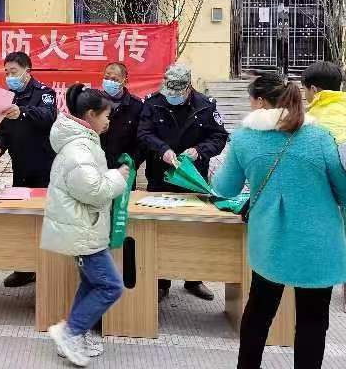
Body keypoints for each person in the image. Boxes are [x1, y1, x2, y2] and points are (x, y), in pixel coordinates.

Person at [212, 73, 346, 369]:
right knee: (313, 320)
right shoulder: (320, 136)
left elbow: (225, 188)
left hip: (269, 241)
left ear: (260, 101)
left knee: (258, 313)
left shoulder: (244, 138)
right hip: (317, 244)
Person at [42, 84, 128, 368]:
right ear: (90, 114)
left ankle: (75, 333)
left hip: (85, 227)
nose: (108, 121)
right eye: (106, 116)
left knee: (92, 283)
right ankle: (71, 332)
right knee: (111, 286)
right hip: (84, 229)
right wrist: (118, 177)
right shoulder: (79, 148)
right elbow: (92, 190)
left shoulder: (83, 141)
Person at [137, 63, 229, 302]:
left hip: (192, 178)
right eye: (170, 92)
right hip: (160, 177)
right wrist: (162, 150)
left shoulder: (206, 106)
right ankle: (161, 282)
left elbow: (219, 137)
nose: (173, 96)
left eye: (178, 93)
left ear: (189, 87)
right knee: (160, 231)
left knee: (194, 231)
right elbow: (144, 133)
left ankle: (194, 279)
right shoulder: (153, 102)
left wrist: (199, 151)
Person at [0, 51, 57, 288]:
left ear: (27, 71)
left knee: (45, 219)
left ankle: (48, 269)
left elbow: (49, 116)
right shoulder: (7, 96)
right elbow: (4, 129)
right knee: (22, 219)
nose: (9, 76)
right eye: (6, 72)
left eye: (14, 72)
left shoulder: (44, 93)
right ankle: (24, 269)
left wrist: (24, 111)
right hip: (20, 167)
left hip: (44, 167)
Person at [99, 62, 144, 175]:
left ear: (125, 81)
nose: (109, 82)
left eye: (114, 79)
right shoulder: (95, 102)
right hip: (98, 167)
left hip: (124, 169)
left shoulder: (137, 106)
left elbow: (143, 139)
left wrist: (132, 162)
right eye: (106, 78)